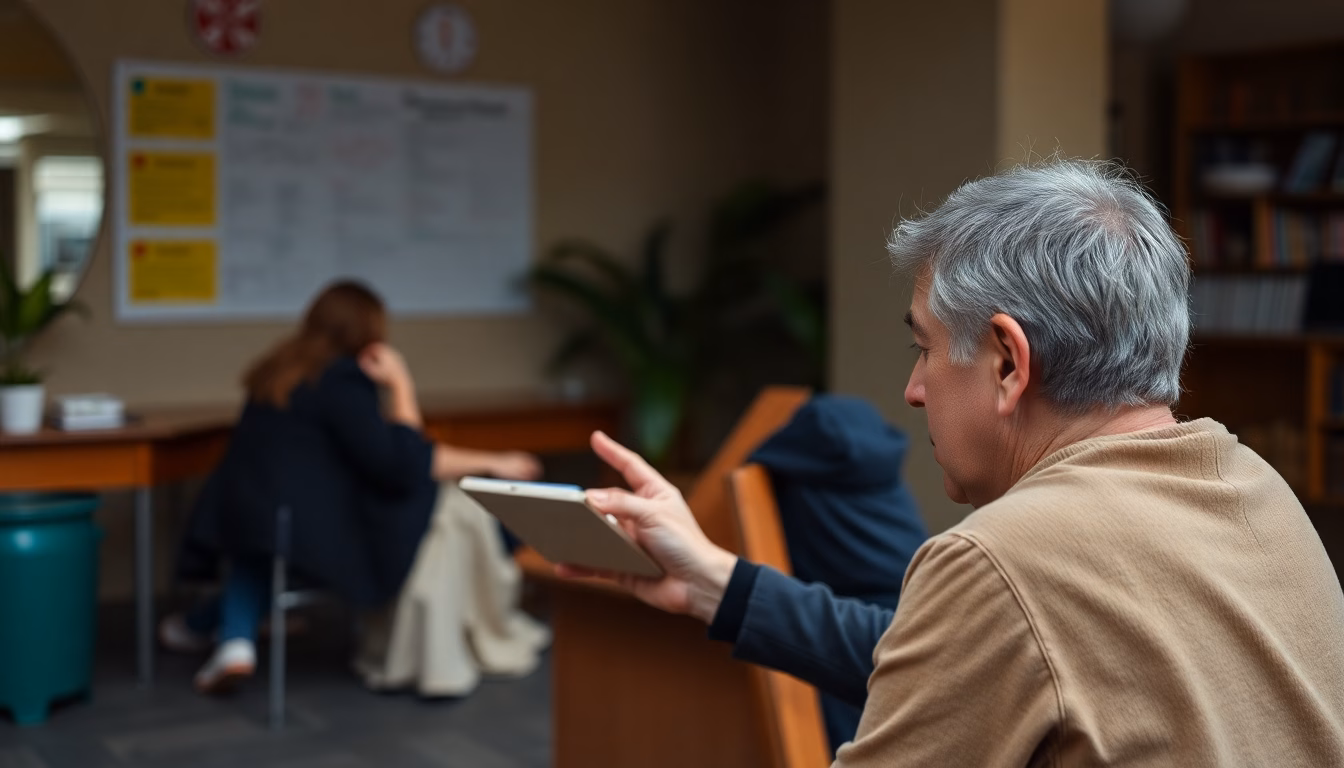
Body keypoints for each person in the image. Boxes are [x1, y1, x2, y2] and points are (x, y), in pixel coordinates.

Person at [563, 161, 1344, 766]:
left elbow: (1000, 627)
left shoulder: (1000, 560)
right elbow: (970, 664)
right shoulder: (1256, 487)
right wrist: (715, 582)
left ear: (1007, 362)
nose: (912, 389)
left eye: (925, 347)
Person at [165, 280, 542, 694]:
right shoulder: (342, 381)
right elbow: (404, 464)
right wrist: (401, 385)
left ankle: (225, 637)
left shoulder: (277, 370)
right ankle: (225, 635)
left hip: (241, 511)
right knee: (406, 510)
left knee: (262, 549)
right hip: (302, 528)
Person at [747, 394, 926, 752]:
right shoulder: (879, 467)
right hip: (909, 600)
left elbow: (744, 478)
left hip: (852, 651)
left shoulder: (804, 465)